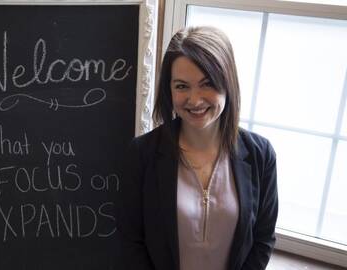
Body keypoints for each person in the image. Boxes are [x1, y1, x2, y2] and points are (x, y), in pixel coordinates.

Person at [116, 26, 278, 270]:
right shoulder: (142, 154)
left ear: (228, 83)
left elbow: (263, 239)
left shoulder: (260, 155)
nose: (195, 100)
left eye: (207, 84)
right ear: (169, 91)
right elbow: (130, 243)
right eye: (182, 86)